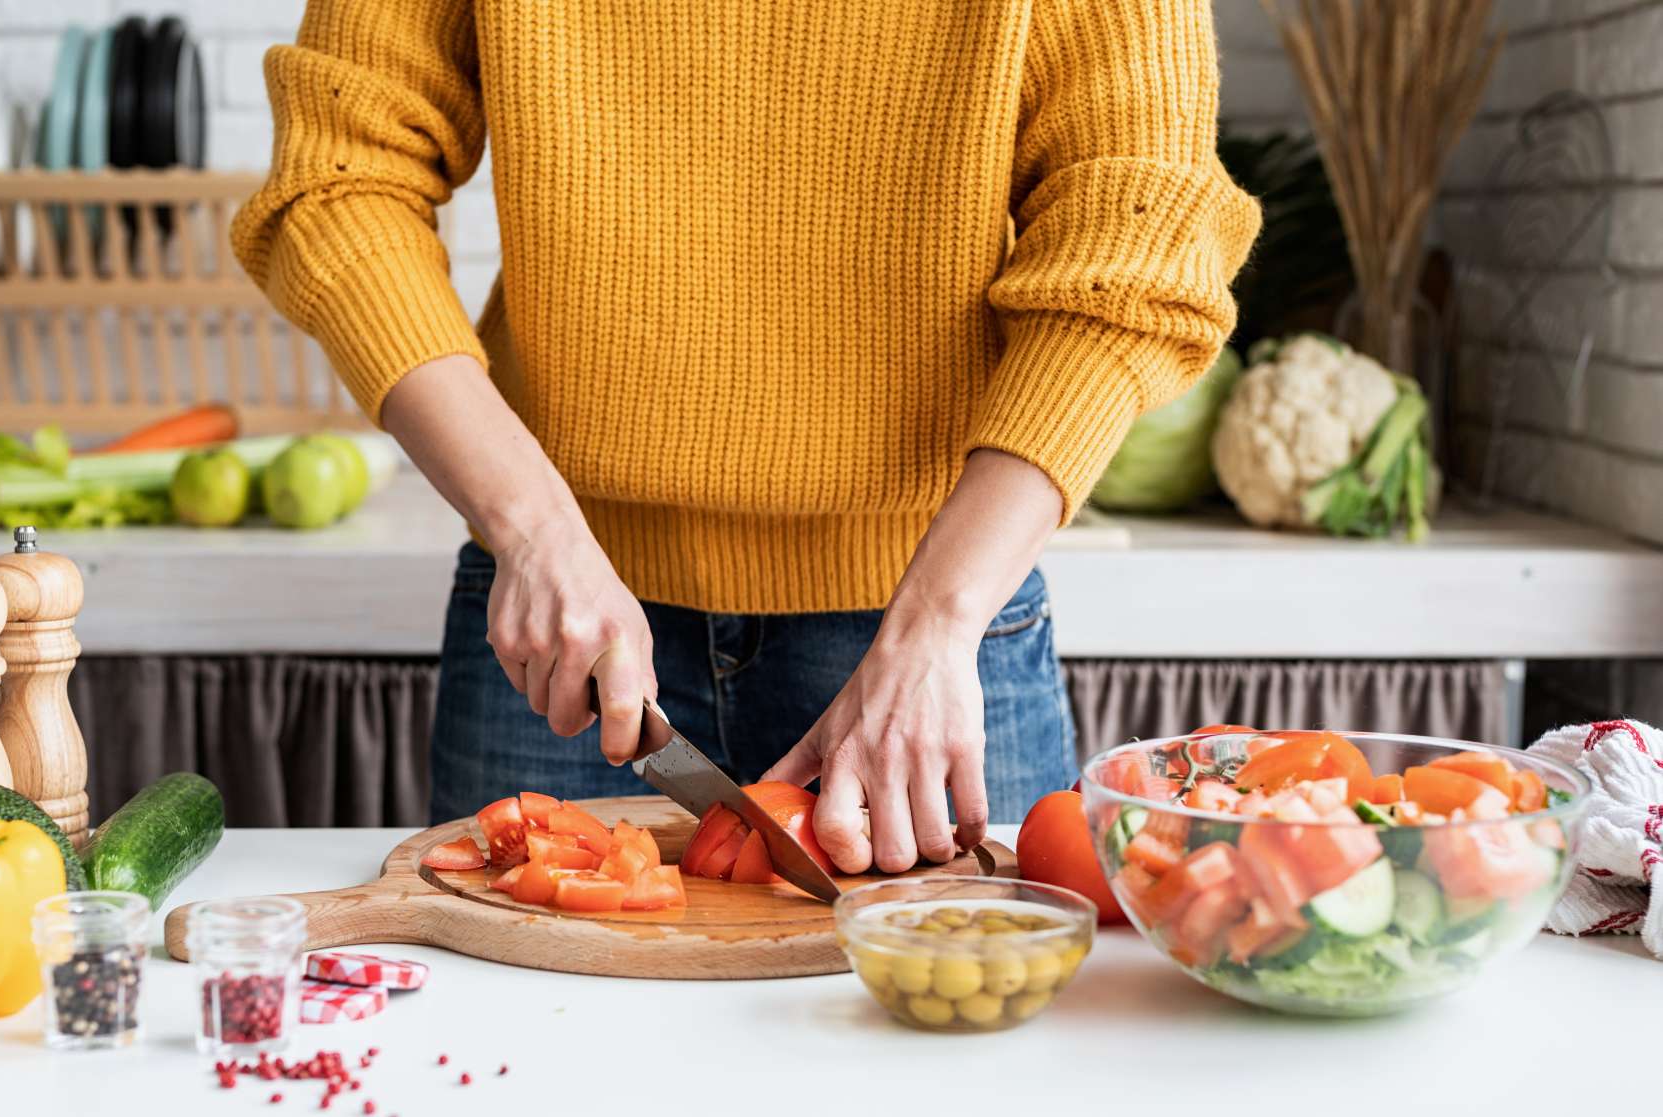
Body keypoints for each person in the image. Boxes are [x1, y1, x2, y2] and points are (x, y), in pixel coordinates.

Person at [234, 1, 1259, 873]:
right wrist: (534, 528)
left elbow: (1135, 248)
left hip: (932, 633)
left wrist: (936, 620)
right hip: (569, 629)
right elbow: (339, 183)